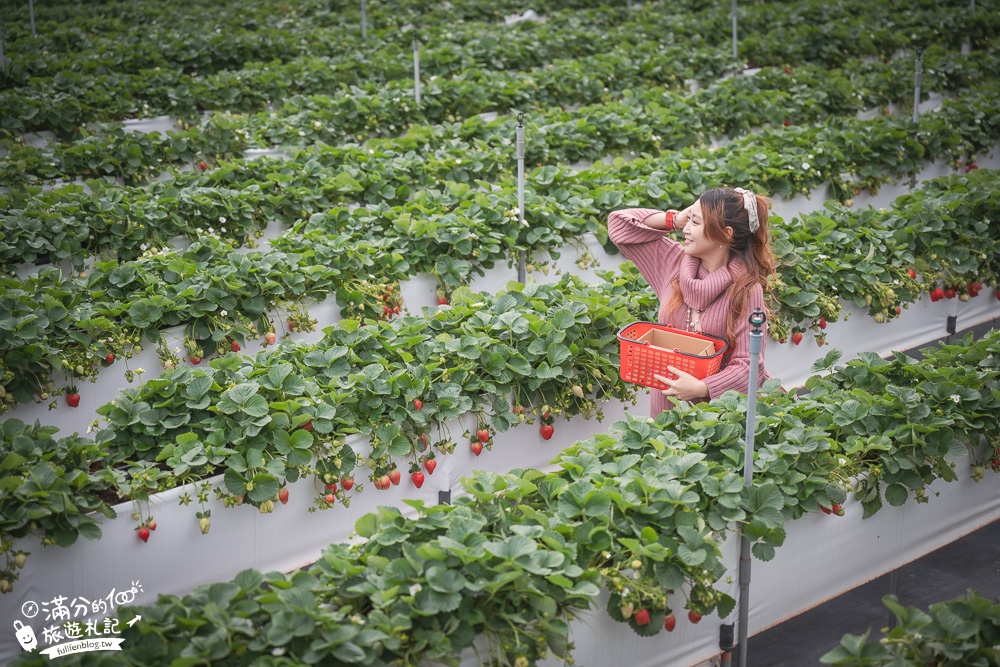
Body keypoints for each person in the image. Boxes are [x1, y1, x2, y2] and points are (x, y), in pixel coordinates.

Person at [607, 187, 775, 416]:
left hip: (718, 419)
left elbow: (749, 366)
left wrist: (702, 387)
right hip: (666, 413)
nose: (685, 229)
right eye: (688, 220)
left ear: (726, 234)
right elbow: (618, 224)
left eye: (695, 223)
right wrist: (674, 219)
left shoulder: (745, 289)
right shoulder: (673, 264)